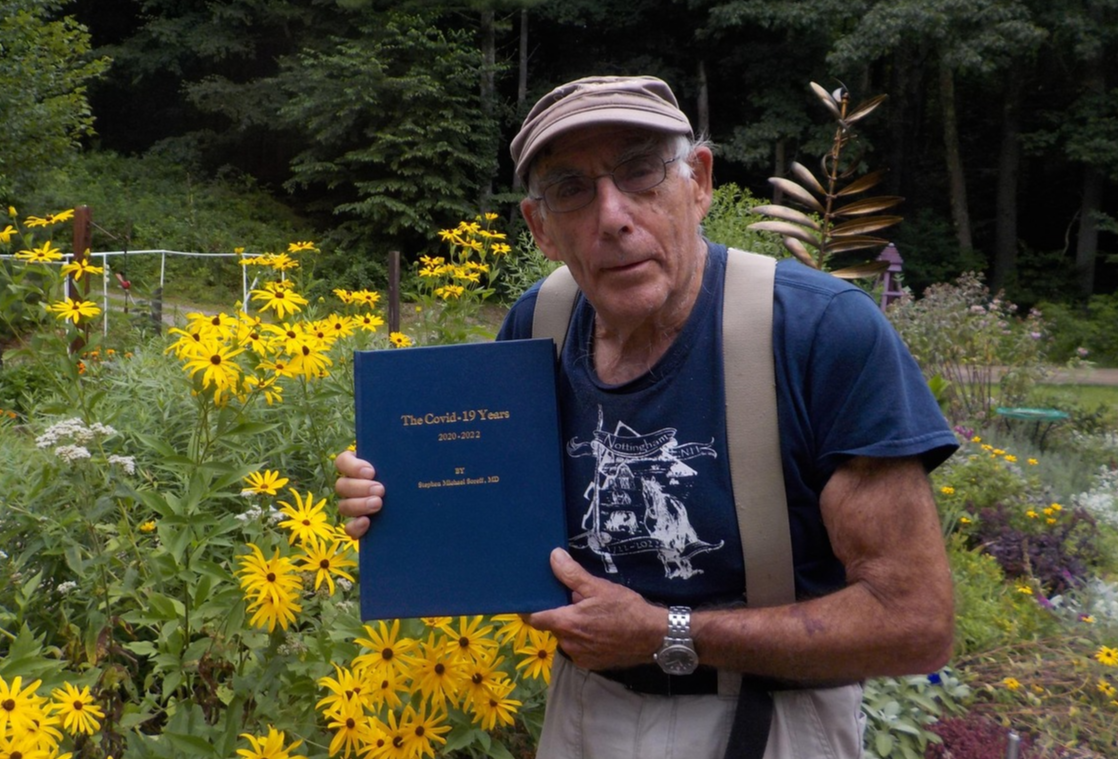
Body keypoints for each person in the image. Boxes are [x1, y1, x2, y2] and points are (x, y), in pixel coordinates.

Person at [336, 75, 959, 759]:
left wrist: (667, 632)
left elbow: (915, 623)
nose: (612, 216)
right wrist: (397, 498)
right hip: (580, 710)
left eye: (640, 171)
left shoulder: (820, 332)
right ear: (540, 227)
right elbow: (493, 523)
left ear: (699, 182)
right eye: (571, 188)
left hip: (768, 719)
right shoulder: (538, 328)